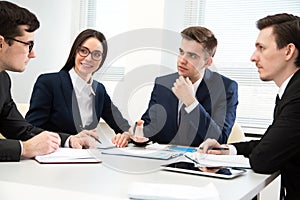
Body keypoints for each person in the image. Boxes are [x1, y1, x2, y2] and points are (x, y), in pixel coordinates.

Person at [199, 13, 300, 199]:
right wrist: (226, 149)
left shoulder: (297, 97)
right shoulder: (290, 91)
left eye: (261, 48)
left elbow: (263, 159)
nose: (253, 57)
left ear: (288, 51)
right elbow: (270, 143)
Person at [0, 1, 99, 162]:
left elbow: (21, 129)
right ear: (1, 43)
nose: (33, 55)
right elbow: (25, 142)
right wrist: (24, 148)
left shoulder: (3, 80)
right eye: (28, 45)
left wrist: (68, 140)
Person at [25, 29, 131, 148]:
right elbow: (31, 130)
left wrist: (126, 135)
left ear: (102, 59)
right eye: (84, 51)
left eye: (96, 54)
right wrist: (68, 140)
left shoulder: (99, 90)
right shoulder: (49, 83)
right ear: (75, 52)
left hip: (86, 157)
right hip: (54, 156)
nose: (88, 58)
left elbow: (123, 127)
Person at [138, 26, 238, 147]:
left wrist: (191, 102)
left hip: (201, 162)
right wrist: (133, 134)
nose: (182, 60)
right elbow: (149, 128)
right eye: (181, 52)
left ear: (208, 62)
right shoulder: (162, 84)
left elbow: (220, 139)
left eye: (192, 56)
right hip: (164, 162)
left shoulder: (225, 88)